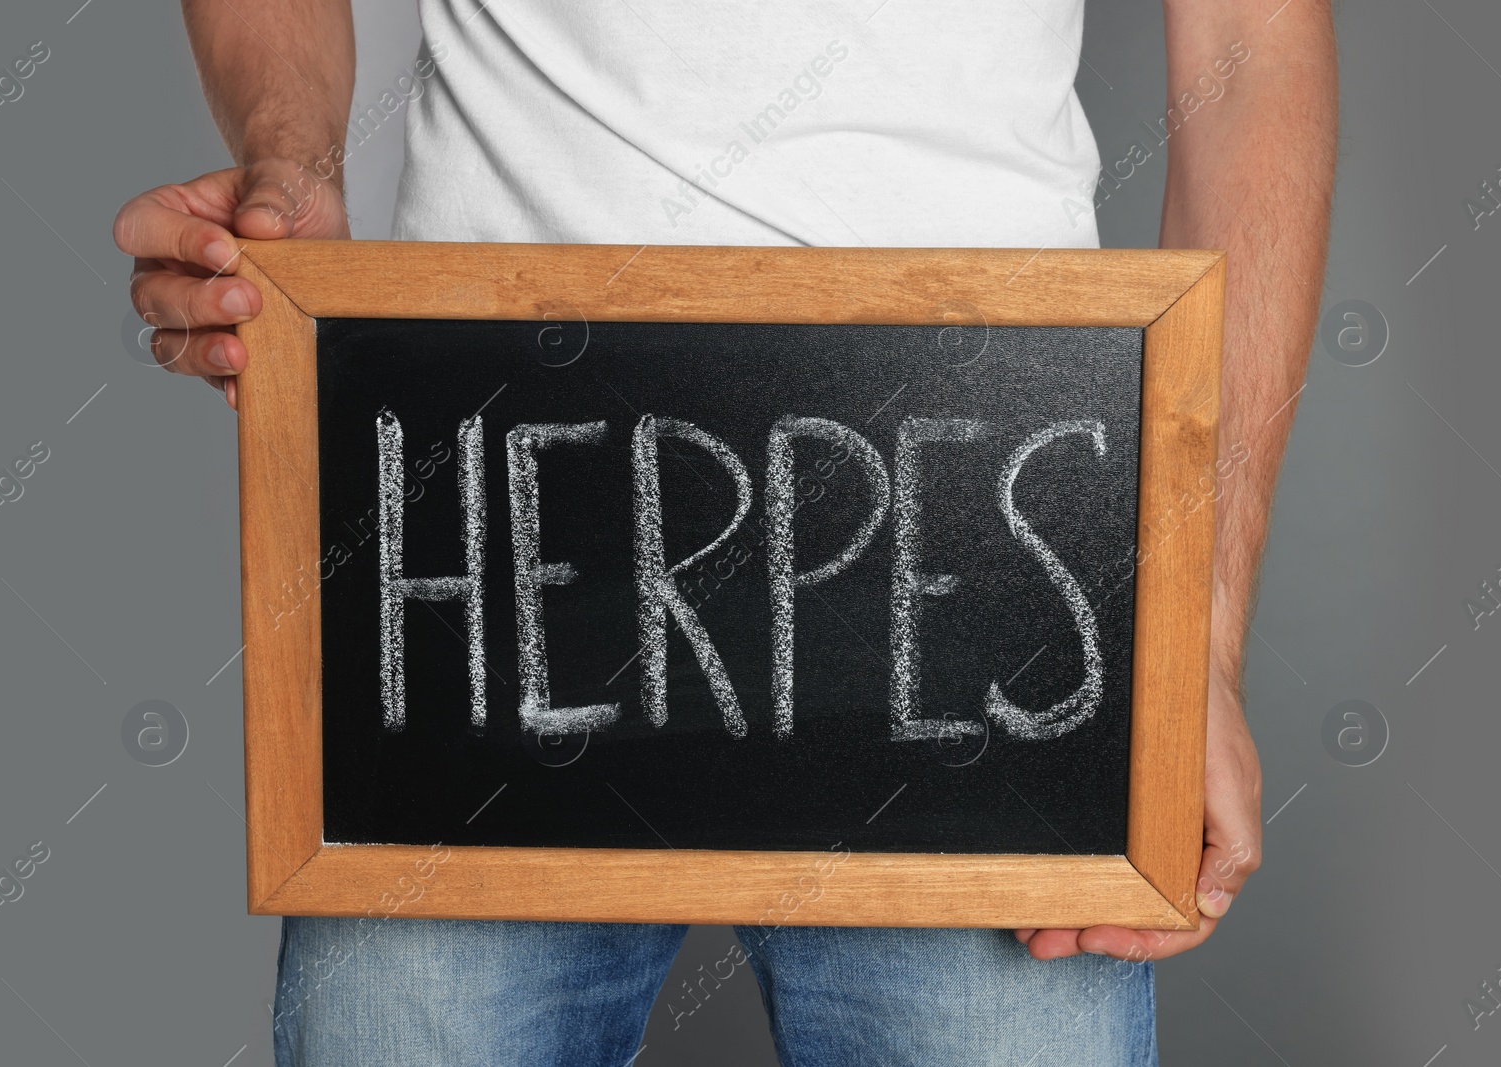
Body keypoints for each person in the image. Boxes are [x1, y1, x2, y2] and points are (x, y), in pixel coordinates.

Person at [115, 1, 1335, 1062]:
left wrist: (1197, 640)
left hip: (969, 534)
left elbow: (1252, 44)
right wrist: (285, 174)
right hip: (495, 495)